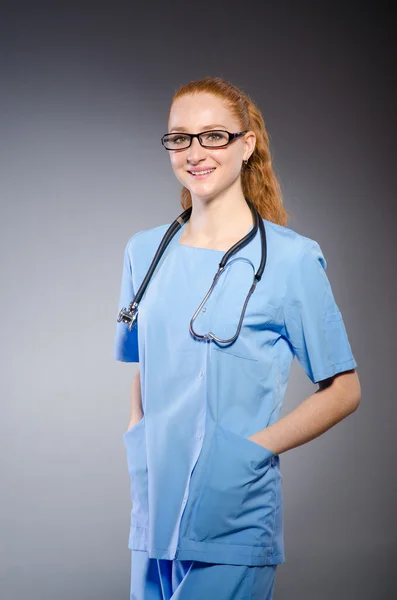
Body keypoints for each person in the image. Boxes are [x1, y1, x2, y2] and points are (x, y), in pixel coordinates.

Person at [114, 77, 361, 600]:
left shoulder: (291, 259)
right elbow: (149, 363)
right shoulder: (144, 250)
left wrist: (250, 453)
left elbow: (344, 389)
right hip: (154, 506)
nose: (195, 152)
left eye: (213, 136)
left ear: (247, 145)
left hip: (234, 511)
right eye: (180, 137)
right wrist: (139, 431)